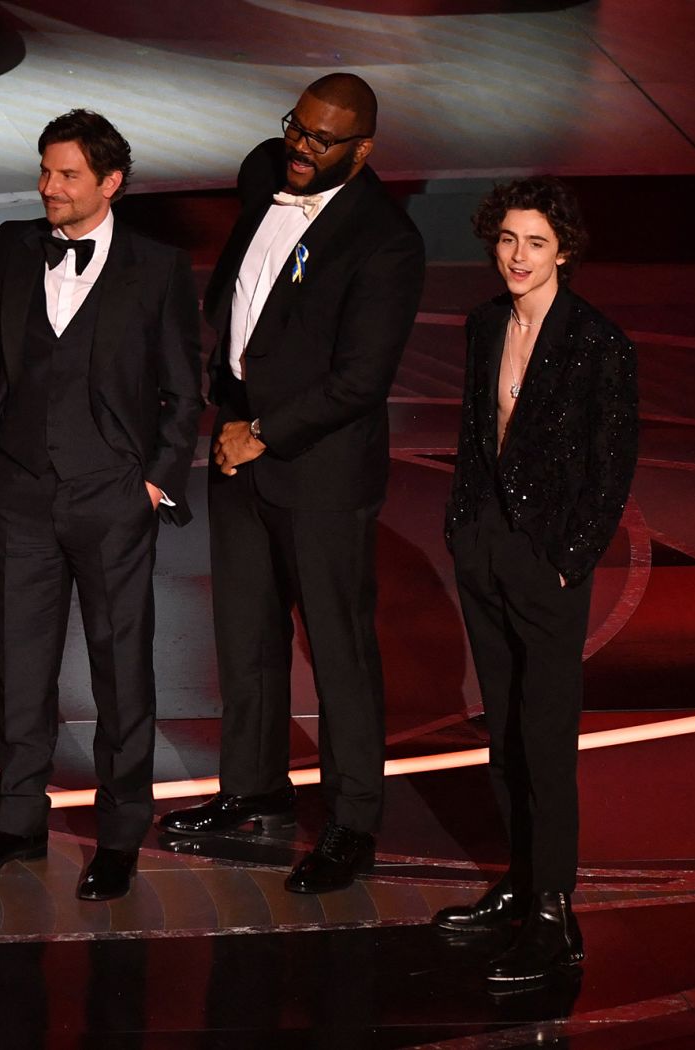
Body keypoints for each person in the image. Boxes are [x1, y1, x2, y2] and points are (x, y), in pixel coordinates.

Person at [158, 74, 426, 894]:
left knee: (339, 653)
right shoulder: (264, 174)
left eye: (320, 141)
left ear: (363, 150)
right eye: (296, 130)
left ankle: (352, 823)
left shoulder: (385, 242)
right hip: (239, 450)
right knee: (245, 636)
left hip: (317, 469)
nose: (300, 150)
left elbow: (360, 381)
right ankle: (253, 792)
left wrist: (262, 434)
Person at [0, 109, 203, 901]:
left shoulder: (157, 266)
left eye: (68, 175)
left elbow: (182, 391)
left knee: (123, 671)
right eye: (46, 170)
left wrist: (154, 481)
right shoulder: (13, 246)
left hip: (111, 496)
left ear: (110, 183)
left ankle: (120, 836)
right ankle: (16, 825)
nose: (49, 187)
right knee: (20, 669)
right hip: (19, 491)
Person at [433, 177, 638, 984]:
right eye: (508, 240)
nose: (517, 257)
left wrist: (569, 558)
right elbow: (475, 431)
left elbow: (612, 465)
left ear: (565, 252)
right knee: (504, 734)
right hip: (484, 548)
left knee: (546, 743)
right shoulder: (487, 323)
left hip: (547, 560)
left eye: (536, 243)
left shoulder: (598, 342)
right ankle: (520, 886)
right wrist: (461, 529)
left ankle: (554, 913)